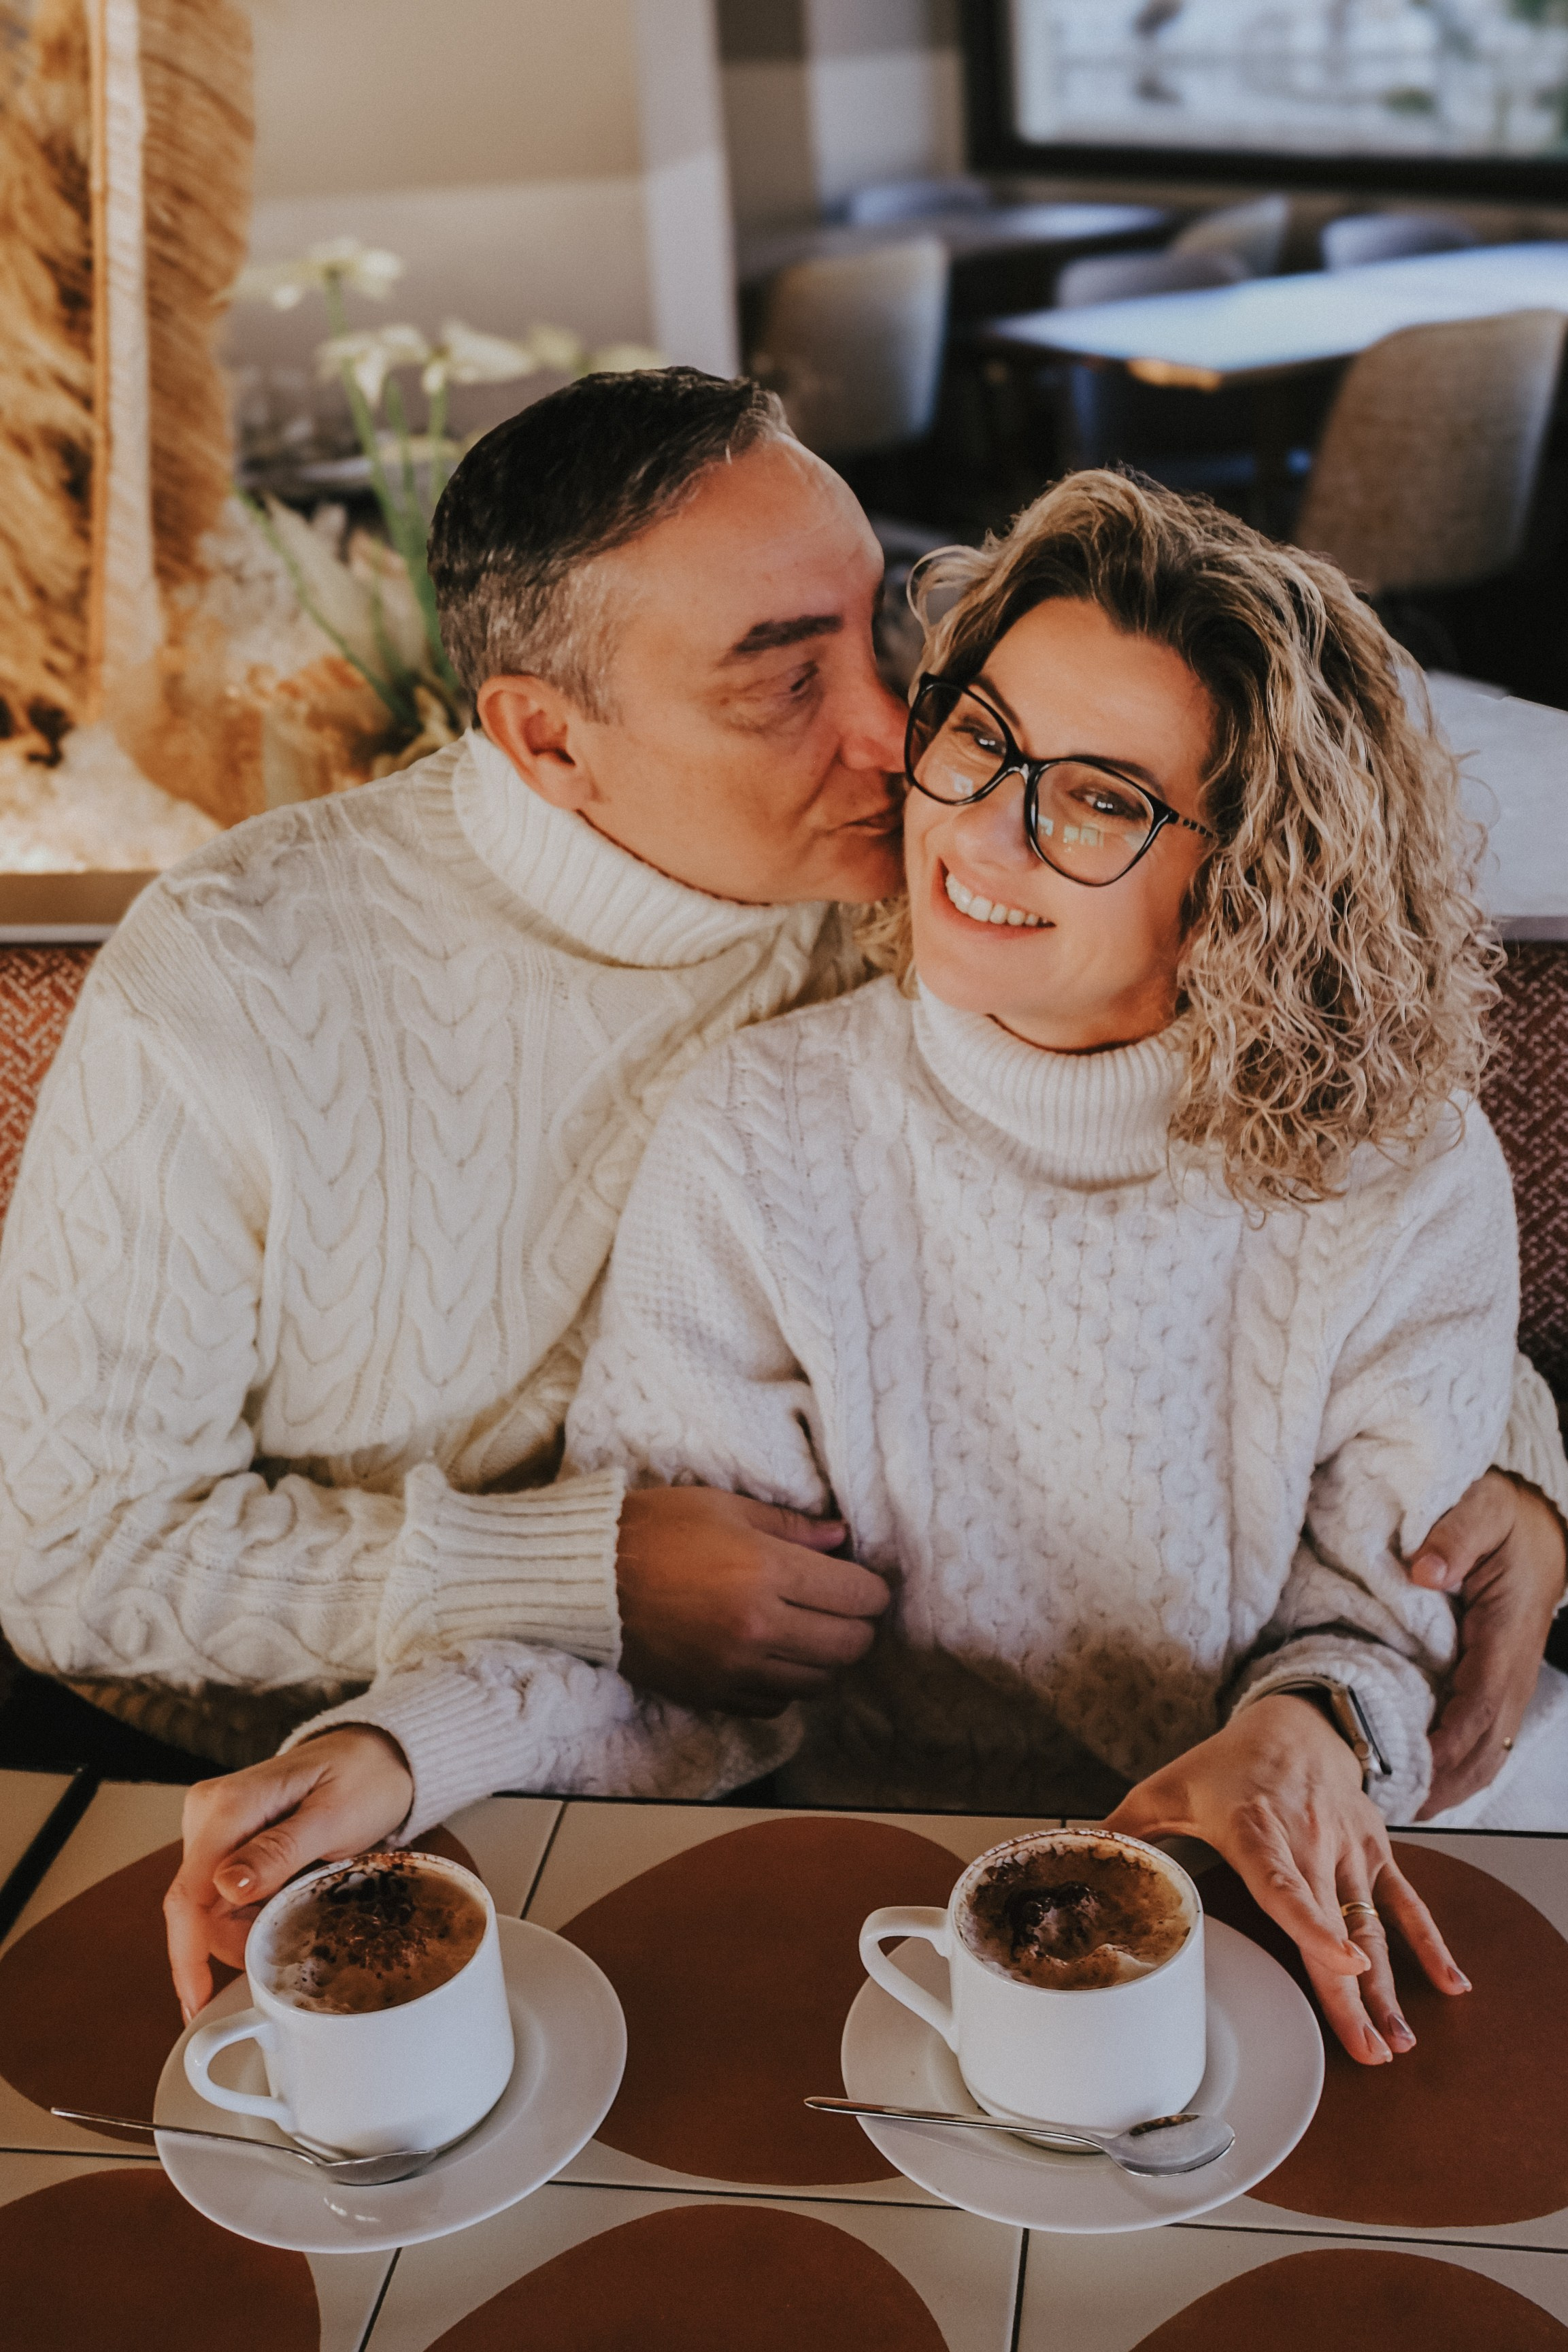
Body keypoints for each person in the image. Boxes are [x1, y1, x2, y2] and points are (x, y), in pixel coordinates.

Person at [0, 372, 1546, 2002]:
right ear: (548, 737)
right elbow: (71, 1557)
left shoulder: (889, 882)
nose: (906, 754)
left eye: (886, 639)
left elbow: (1330, 1224)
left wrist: (1495, 1477)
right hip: (342, 1774)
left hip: (1193, 1824)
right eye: (779, 680)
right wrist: (542, 1610)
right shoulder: (254, 983)